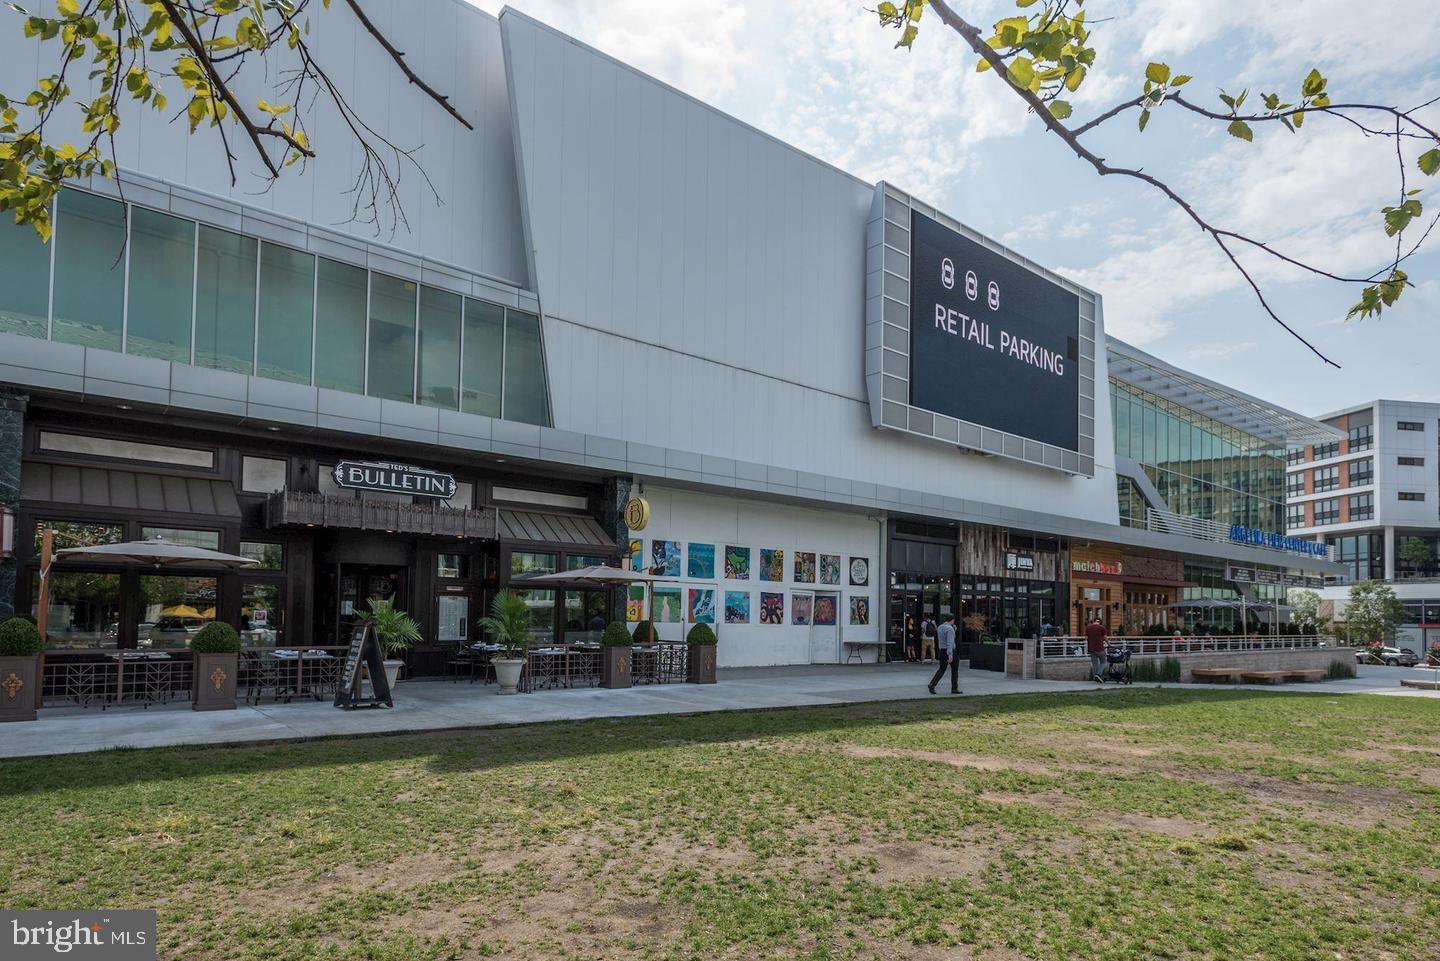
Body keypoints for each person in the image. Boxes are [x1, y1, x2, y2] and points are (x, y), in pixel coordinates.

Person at [928, 613, 961, 695]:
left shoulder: (940, 627)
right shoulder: (950, 629)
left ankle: (932, 684)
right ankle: (954, 688)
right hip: (950, 651)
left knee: (941, 669)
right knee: (954, 670)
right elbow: (950, 642)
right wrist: (950, 654)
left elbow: (943, 638)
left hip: (942, 650)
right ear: (952, 620)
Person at [1086, 616, 1108, 682]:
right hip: (1100, 648)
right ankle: (1098, 674)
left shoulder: (1088, 627)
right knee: (1103, 662)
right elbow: (1104, 637)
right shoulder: (1102, 627)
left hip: (1091, 648)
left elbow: (1087, 636)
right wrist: (1109, 644)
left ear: (1093, 621)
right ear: (1100, 622)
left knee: (1094, 664)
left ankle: (1096, 677)